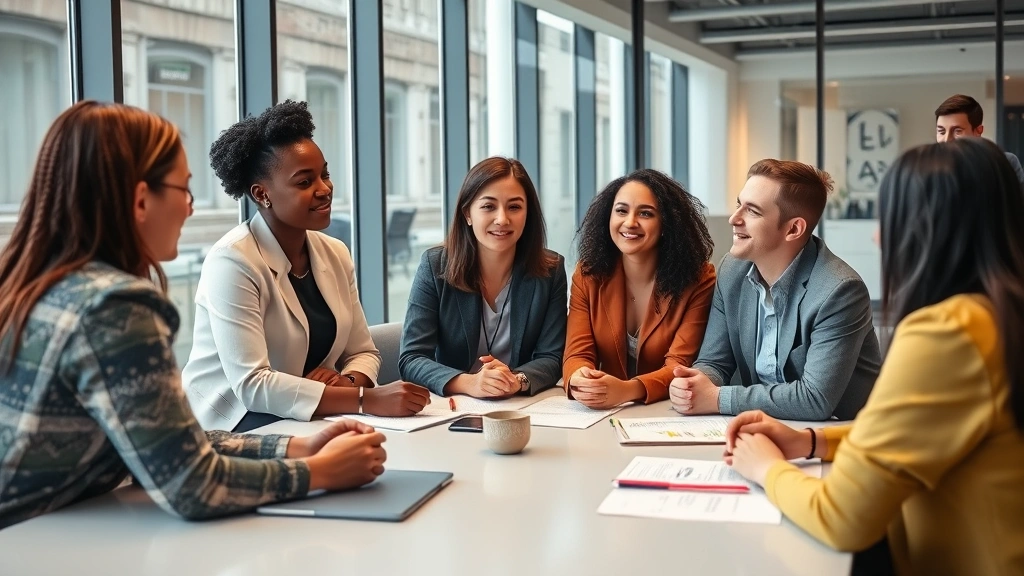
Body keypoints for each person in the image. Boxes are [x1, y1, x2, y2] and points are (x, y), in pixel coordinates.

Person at [0, 101, 387, 530]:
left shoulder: (40, 287)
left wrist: (294, 448)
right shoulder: (113, 308)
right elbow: (192, 483)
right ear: (141, 200)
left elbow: (166, 442)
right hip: (36, 543)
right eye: (183, 191)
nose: (190, 209)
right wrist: (322, 472)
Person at [726, 138, 1024, 576]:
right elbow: (924, 432)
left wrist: (767, 468)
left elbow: (841, 517)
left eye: (890, 216)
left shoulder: (948, 333)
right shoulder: (995, 315)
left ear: (931, 226)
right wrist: (811, 442)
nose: (877, 234)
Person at [182, 100, 429, 432]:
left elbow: (363, 351)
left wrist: (347, 382)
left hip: (315, 411)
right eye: (304, 182)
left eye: (324, 174)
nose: (324, 189)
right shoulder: (233, 261)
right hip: (237, 421)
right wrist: (363, 398)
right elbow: (254, 385)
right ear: (262, 194)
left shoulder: (335, 253)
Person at [670, 159, 880, 421]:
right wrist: (693, 383)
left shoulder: (839, 291)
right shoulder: (732, 270)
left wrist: (717, 398)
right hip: (760, 423)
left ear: (793, 229)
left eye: (753, 211)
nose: (735, 219)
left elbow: (816, 399)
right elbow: (715, 362)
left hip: (838, 434)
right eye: (738, 205)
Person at [400, 157, 566, 397]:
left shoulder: (550, 271)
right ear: (467, 213)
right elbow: (411, 358)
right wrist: (470, 383)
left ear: (528, 214)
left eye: (515, 207)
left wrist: (516, 380)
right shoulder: (435, 266)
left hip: (520, 408)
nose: (502, 219)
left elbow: (552, 357)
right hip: (453, 408)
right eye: (488, 206)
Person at [563, 169, 716, 409]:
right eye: (621, 211)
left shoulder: (698, 279)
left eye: (645, 213)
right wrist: (581, 379)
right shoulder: (588, 275)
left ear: (666, 223)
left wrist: (626, 390)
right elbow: (577, 353)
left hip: (669, 410)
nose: (630, 222)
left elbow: (680, 365)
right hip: (602, 413)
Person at [935, 93, 1024, 185]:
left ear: (978, 131)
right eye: (941, 132)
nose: (946, 140)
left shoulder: (1004, 163)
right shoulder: (928, 169)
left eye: (957, 131)